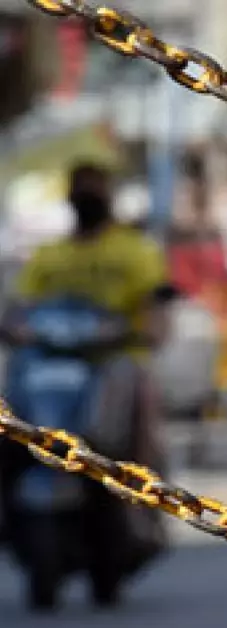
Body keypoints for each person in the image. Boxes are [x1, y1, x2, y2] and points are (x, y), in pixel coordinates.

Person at [11, 161, 175, 468]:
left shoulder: (136, 251)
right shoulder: (49, 254)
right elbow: (23, 306)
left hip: (116, 354)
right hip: (51, 356)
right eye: (80, 189)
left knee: (140, 395)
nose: (86, 197)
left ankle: (140, 481)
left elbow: (156, 302)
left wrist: (150, 329)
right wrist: (18, 329)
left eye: (93, 189)